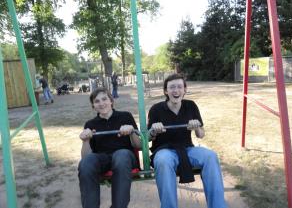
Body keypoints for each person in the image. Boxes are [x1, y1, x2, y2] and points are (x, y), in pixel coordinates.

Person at [147, 73, 227, 208]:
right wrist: (154, 130)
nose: (176, 90)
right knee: (163, 160)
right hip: (164, 150)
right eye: (172, 87)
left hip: (187, 149)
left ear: (185, 90)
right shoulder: (156, 109)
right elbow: (148, 138)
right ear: (166, 91)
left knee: (210, 156)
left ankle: (218, 205)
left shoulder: (191, 106)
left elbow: (201, 135)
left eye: (179, 87)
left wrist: (196, 127)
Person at [78, 87, 141, 208]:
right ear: (93, 106)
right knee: (86, 163)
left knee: (121, 155)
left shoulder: (125, 117)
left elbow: (139, 145)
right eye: (97, 101)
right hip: (103, 159)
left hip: (125, 157)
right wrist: (85, 141)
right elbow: (86, 157)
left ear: (111, 101)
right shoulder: (90, 124)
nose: (101, 103)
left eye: (104, 99)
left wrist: (131, 131)